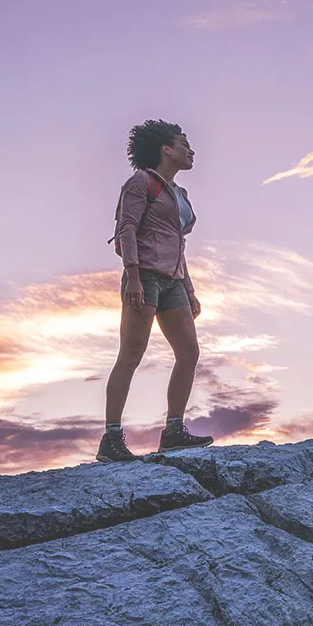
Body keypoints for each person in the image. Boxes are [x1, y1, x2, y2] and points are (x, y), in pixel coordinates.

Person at [98, 119, 214, 461]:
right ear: (166, 148)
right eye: (183, 143)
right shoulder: (141, 183)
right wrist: (133, 277)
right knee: (131, 354)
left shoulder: (180, 195)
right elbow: (126, 230)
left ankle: (173, 431)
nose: (190, 150)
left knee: (189, 352)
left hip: (174, 280)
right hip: (144, 277)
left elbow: (178, 244)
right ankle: (111, 438)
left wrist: (189, 289)